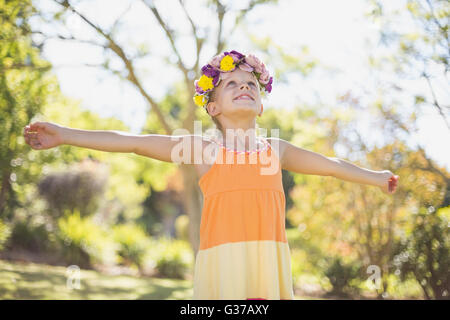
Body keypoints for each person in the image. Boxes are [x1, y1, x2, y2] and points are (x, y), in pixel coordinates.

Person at [23, 50, 399, 300]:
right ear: (214, 106)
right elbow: (133, 142)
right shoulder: (202, 149)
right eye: (231, 84)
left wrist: (375, 176)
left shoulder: (276, 150)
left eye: (250, 83)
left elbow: (331, 166)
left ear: (261, 103)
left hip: (269, 266)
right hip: (224, 268)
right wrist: (66, 134)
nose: (244, 88)